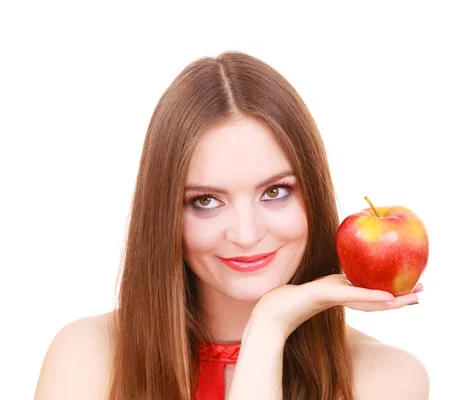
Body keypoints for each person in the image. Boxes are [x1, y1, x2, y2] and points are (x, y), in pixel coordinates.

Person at [34, 51, 429, 400]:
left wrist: (269, 328)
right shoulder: (87, 358)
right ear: (165, 215)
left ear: (313, 195)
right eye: (206, 201)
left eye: (275, 192)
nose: (246, 233)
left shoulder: (384, 379)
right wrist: (270, 324)